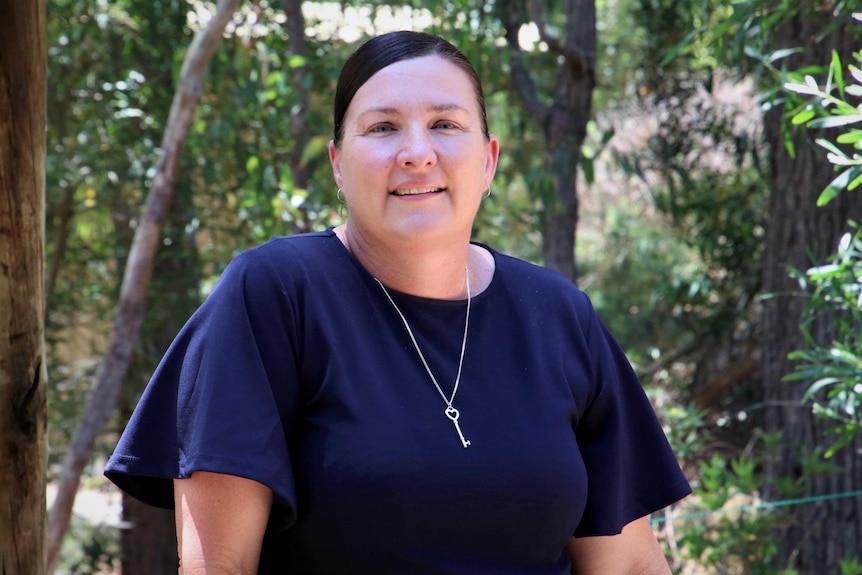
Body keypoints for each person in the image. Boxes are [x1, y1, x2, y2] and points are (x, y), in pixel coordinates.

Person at [105, 30, 691, 574]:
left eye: (445, 124)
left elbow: (631, 565)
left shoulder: (560, 316)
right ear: (338, 163)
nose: (416, 152)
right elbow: (218, 567)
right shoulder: (274, 295)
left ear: (488, 160)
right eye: (382, 128)